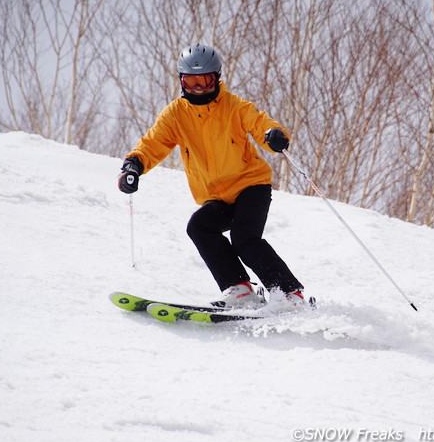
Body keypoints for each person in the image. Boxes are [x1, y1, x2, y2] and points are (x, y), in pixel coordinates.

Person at [117, 43, 306, 309]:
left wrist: (272, 134)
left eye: (204, 80)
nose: (198, 88)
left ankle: (290, 294)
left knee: (245, 240)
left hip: (251, 186)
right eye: (191, 81)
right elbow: (153, 142)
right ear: (182, 80)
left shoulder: (234, 106)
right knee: (199, 227)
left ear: (216, 78)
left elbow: (259, 121)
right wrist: (133, 165)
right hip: (218, 195)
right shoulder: (175, 114)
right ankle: (240, 290)